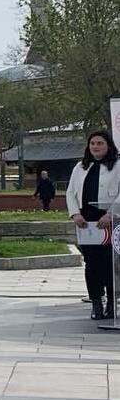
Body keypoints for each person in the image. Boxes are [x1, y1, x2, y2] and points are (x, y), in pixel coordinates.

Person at [65, 130, 120, 320]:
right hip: (86, 222)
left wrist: (111, 214)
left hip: (109, 221)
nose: (96, 147)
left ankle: (112, 304)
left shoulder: (118, 165)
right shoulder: (80, 167)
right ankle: (96, 302)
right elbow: (70, 192)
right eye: (93, 144)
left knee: (110, 264)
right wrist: (75, 214)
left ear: (108, 146)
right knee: (92, 263)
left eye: (100, 143)